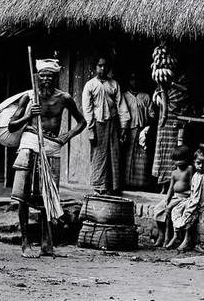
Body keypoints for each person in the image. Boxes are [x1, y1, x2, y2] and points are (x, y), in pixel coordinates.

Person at [9, 59, 86, 258]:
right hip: (30, 144)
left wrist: (65, 137)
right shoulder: (29, 97)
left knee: (48, 196)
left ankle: (46, 243)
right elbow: (11, 126)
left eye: (49, 76)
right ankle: (25, 243)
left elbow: (82, 122)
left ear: (56, 77)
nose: (45, 79)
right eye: (42, 75)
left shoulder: (64, 98)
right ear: (37, 76)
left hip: (52, 146)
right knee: (23, 197)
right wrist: (28, 116)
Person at [82, 57, 130, 195]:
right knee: (99, 154)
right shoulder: (90, 85)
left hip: (113, 123)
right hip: (98, 124)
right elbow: (87, 108)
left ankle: (112, 187)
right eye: (100, 66)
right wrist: (91, 129)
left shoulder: (114, 84)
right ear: (95, 67)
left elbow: (121, 105)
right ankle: (98, 186)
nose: (103, 69)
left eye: (105, 66)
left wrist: (124, 127)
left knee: (114, 154)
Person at [165, 149, 204, 251]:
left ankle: (187, 239)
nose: (201, 166)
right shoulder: (196, 175)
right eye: (198, 163)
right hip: (194, 199)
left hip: (203, 202)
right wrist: (190, 200)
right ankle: (176, 234)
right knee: (177, 209)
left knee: (190, 212)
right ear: (194, 162)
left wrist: (203, 204)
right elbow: (193, 191)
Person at [151, 73, 191, 192]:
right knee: (162, 154)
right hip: (164, 123)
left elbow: (185, 91)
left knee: (174, 154)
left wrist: (172, 84)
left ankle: (173, 187)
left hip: (174, 121)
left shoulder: (181, 82)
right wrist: (159, 98)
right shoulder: (162, 84)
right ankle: (163, 186)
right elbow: (156, 98)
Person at [152, 145, 193, 246]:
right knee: (158, 208)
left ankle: (167, 236)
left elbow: (193, 183)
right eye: (176, 160)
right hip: (175, 196)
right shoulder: (174, 172)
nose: (178, 162)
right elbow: (171, 187)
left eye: (181, 159)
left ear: (187, 159)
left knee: (169, 209)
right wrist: (167, 199)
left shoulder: (189, 169)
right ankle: (161, 234)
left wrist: (191, 197)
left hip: (184, 197)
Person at [122, 72, 155, 189]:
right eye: (132, 79)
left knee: (142, 159)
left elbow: (152, 115)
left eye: (136, 80)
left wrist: (147, 129)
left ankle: (141, 186)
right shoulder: (124, 96)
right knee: (128, 157)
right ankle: (127, 184)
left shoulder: (145, 96)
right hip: (129, 131)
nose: (134, 82)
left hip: (143, 131)